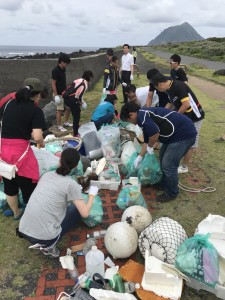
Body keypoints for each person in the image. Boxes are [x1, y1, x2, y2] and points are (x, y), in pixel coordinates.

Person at [18, 148, 99, 258]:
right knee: (76, 210)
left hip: (23, 229)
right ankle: (48, 248)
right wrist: (91, 195)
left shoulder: (47, 175)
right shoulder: (71, 184)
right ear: (76, 166)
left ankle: (41, 239)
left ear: (60, 160)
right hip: (44, 238)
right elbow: (85, 213)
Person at [120, 102, 197, 202]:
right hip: (174, 136)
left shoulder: (142, 117)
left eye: (128, 120)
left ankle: (172, 193)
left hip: (183, 135)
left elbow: (154, 134)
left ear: (131, 114)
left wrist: (150, 147)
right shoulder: (142, 116)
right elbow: (146, 140)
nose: (130, 123)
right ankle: (164, 183)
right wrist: (139, 157)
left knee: (168, 165)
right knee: (162, 157)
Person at [0, 78, 46, 219]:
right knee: (28, 185)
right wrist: (42, 143)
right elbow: (37, 137)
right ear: (37, 95)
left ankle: (16, 213)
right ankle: (29, 215)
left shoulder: (9, 104)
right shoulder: (35, 110)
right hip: (20, 153)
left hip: (3, 150)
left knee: (9, 184)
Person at [151, 73, 205, 173]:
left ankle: (184, 167)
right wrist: (161, 114)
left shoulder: (178, 86)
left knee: (191, 143)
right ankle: (175, 158)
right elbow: (171, 103)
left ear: (160, 84)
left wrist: (175, 117)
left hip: (195, 116)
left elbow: (186, 104)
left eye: (157, 88)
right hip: (185, 117)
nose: (158, 90)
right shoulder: (169, 88)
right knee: (179, 137)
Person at [63, 70, 94, 136]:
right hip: (72, 100)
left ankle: (76, 126)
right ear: (89, 77)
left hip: (66, 98)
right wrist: (82, 103)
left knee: (76, 113)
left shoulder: (78, 80)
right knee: (76, 116)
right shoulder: (84, 83)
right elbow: (79, 96)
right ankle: (75, 133)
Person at [52, 52, 72, 132]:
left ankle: (66, 122)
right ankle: (59, 126)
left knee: (69, 107)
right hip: (58, 94)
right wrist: (56, 95)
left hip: (64, 92)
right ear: (61, 61)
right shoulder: (55, 71)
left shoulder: (64, 69)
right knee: (59, 110)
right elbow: (53, 83)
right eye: (66, 63)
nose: (66, 64)